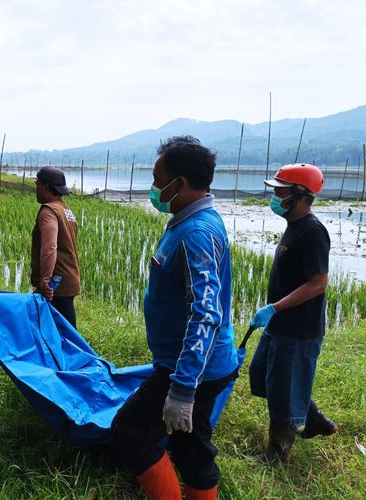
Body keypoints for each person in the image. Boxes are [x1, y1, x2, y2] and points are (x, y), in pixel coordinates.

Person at [110, 136, 238, 500]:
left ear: (178, 183)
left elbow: (206, 312)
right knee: (186, 445)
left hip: (193, 370)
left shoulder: (196, 233)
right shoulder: (190, 221)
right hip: (187, 364)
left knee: (132, 433)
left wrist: (183, 388)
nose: (153, 188)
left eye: (156, 179)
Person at [249, 163, 338, 464]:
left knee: (283, 393)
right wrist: (274, 312)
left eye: (280, 192)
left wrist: (275, 307)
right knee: (262, 377)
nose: (274, 197)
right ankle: (311, 419)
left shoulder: (312, 232)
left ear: (299, 196)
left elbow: (318, 283)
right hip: (280, 323)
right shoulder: (294, 226)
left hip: (298, 328)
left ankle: (277, 454)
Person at [30, 167, 81, 329]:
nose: (36, 189)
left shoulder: (49, 210)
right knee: (65, 330)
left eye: (37, 184)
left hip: (55, 284)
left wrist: (45, 279)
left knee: (62, 335)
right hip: (68, 279)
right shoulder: (66, 209)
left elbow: (50, 246)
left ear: (45, 187)